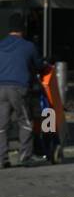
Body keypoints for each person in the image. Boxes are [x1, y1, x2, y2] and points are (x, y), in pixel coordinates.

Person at [0, 13, 42, 168]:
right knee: (25, 121)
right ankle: (25, 156)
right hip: (18, 88)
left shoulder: (1, 44)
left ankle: (1, 159)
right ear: (22, 29)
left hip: (0, 88)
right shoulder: (28, 46)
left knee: (1, 125)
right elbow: (38, 65)